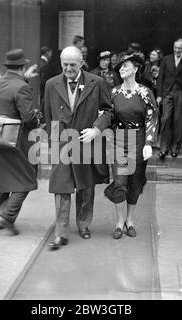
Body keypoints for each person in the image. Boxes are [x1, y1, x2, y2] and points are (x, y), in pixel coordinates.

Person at [44, 46, 113, 250]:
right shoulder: (51, 84)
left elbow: (108, 111)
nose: (68, 69)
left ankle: (83, 224)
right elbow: (48, 116)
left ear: (81, 63)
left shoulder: (96, 82)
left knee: (86, 186)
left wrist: (96, 129)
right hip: (63, 142)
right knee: (61, 187)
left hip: (86, 141)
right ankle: (61, 233)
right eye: (64, 65)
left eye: (72, 65)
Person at [0, 49, 41, 234]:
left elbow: (12, 88)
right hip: (18, 140)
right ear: (22, 67)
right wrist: (37, 120)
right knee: (28, 178)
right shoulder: (22, 87)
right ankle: (7, 215)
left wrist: (24, 78)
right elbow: (28, 118)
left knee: (2, 179)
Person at [104, 54, 158, 239]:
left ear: (135, 69)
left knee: (135, 181)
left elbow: (151, 117)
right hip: (118, 140)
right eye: (120, 67)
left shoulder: (145, 92)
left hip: (139, 139)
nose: (121, 69)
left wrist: (149, 143)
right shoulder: (114, 93)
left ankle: (130, 220)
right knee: (119, 181)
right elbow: (108, 115)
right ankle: (119, 222)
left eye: (125, 66)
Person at [156, 38, 182, 159]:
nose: (177, 50)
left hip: (180, 93)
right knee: (165, 119)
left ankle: (175, 148)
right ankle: (164, 148)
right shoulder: (166, 59)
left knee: (178, 121)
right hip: (167, 93)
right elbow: (160, 78)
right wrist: (159, 95)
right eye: (175, 48)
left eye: (179, 48)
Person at [39, 46, 53, 121]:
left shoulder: (40, 62)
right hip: (43, 90)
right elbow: (43, 80)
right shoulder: (45, 65)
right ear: (47, 53)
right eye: (51, 53)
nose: (51, 55)